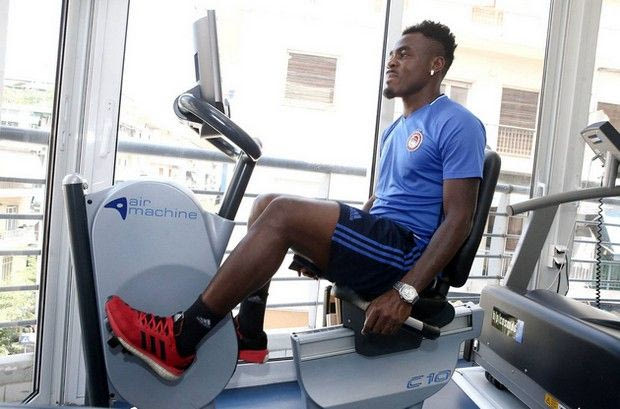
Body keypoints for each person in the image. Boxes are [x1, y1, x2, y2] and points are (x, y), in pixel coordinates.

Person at [105, 20, 486, 381]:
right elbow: (382, 198)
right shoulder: (396, 130)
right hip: (383, 239)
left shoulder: (457, 123)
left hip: (407, 252)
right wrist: (325, 243)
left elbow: (459, 220)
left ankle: (183, 338)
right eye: (392, 54)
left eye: (404, 54)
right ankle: (249, 334)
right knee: (266, 203)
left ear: (436, 65)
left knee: (283, 213)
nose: (392, 61)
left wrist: (406, 292)